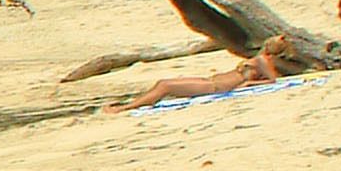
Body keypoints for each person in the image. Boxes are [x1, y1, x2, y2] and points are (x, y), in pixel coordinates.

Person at [106, 35, 296, 113]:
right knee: (162, 83)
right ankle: (129, 105)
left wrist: (248, 85)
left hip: (213, 87)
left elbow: (273, 81)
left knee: (165, 86)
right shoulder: (260, 58)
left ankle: (124, 108)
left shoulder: (263, 61)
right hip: (210, 81)